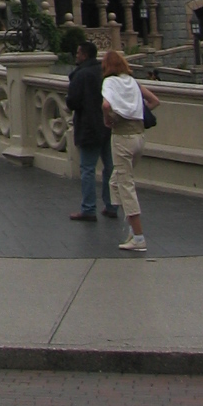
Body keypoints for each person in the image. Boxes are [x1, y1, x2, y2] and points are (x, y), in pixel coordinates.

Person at [101, 50, 159, 253]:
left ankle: (139, 237)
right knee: (115, 181)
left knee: (125, 185)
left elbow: (106, 104)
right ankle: (132, 231)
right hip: (139, 137)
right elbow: (155, 101)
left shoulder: (109, 82)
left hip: (122, 137)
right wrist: (137, 110)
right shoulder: (132, 82)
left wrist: (108, 118)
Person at [66, 40, 119, 222]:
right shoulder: (104, 72)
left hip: (88, 126)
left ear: (84, 55)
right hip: (108, 125)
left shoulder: (81, 75)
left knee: (88, 168)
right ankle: (111, 205)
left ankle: (88, 208)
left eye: (78, 53)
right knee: (109, 167)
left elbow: (72, 101)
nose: (76, 56)